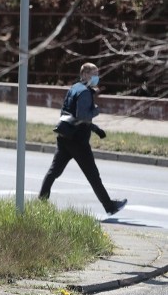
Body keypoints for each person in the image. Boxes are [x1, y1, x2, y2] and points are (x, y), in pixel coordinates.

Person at [39, 62, 127, 215]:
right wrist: (96, 111)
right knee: (93, 175)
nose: (97, 77)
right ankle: (110, 207)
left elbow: (70, 114)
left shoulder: (74, 88)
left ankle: (41, 201)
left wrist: (96, 129)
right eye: (94, 73)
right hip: (78, 141)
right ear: (85, 74)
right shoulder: (85, 92)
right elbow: (82, 115)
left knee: (54, 172)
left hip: (65, 136)